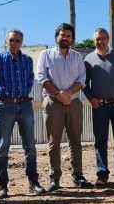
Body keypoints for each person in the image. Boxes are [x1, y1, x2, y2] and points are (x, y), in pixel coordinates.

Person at [0, 29, 45, 199]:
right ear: (6, 41)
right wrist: (0, 100)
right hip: (5, 105)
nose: (15, 43)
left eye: (18, 40)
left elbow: (30, 79)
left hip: (25, 104)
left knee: (30, 146)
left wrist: (23, 94)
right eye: (12, 40)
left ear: (22, 42)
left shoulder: (27, 60)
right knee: (2, 146)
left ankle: (33, 182)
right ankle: (2, 185)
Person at [35, 23, 92, 191]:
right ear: (56, 37)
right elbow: (41, 77)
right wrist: (59, 94)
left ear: (72, 39)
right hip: (53, 103)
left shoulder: (77, 57)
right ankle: (55, 178)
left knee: (76, 141)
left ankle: (78, 176)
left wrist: (67, 94)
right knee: (55, 142)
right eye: (62, 35)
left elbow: (82, 79)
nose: (65, 38)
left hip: (73, 103)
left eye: (68, 35)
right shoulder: (45, 54)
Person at [83, 28, 114, 185]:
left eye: (103, 38)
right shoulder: (88, 59)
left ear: (108, 39)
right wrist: (91, 99)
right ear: (94, 41)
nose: (100, 41)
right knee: (100, 141)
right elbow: (84, 83)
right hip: (100, 107)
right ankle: (102, 175)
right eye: (98, 39)